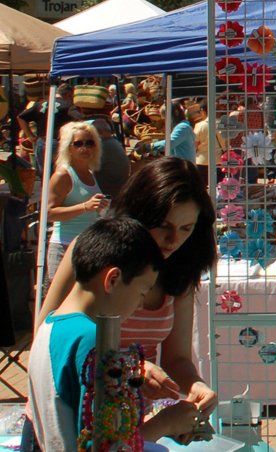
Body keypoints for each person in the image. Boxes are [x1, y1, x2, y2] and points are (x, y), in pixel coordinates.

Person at [39, 157, 219, 429]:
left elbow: (177, 358)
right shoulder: (90, 250)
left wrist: (196, 385)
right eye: (164, 226)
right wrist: (134, 370)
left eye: (186, 229)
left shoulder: (181, 270)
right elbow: (49, 334)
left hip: (128, 427)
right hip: (76, 420)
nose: (174, 240)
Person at [29, 216, 196, 452]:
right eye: (142, 292)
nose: (139, 306)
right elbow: (105, 445)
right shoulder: (93, 339)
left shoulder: (51, 325)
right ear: (113, 279)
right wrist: (165, 423)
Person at [44, 121, 109, 286]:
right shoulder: (63, 175)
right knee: (58, 306)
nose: (85, 148)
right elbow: (49, 213)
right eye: (78, 143)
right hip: (64, 248)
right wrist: (85, 206)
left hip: (87, 247)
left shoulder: (89, 173)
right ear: (68, 148)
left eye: (90, 143)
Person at [89, 117, 131, 198]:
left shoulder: (104, 146)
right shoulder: (113, 142)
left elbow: (87, 168)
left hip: (108, 193)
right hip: (117, 189)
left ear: (99, 133)